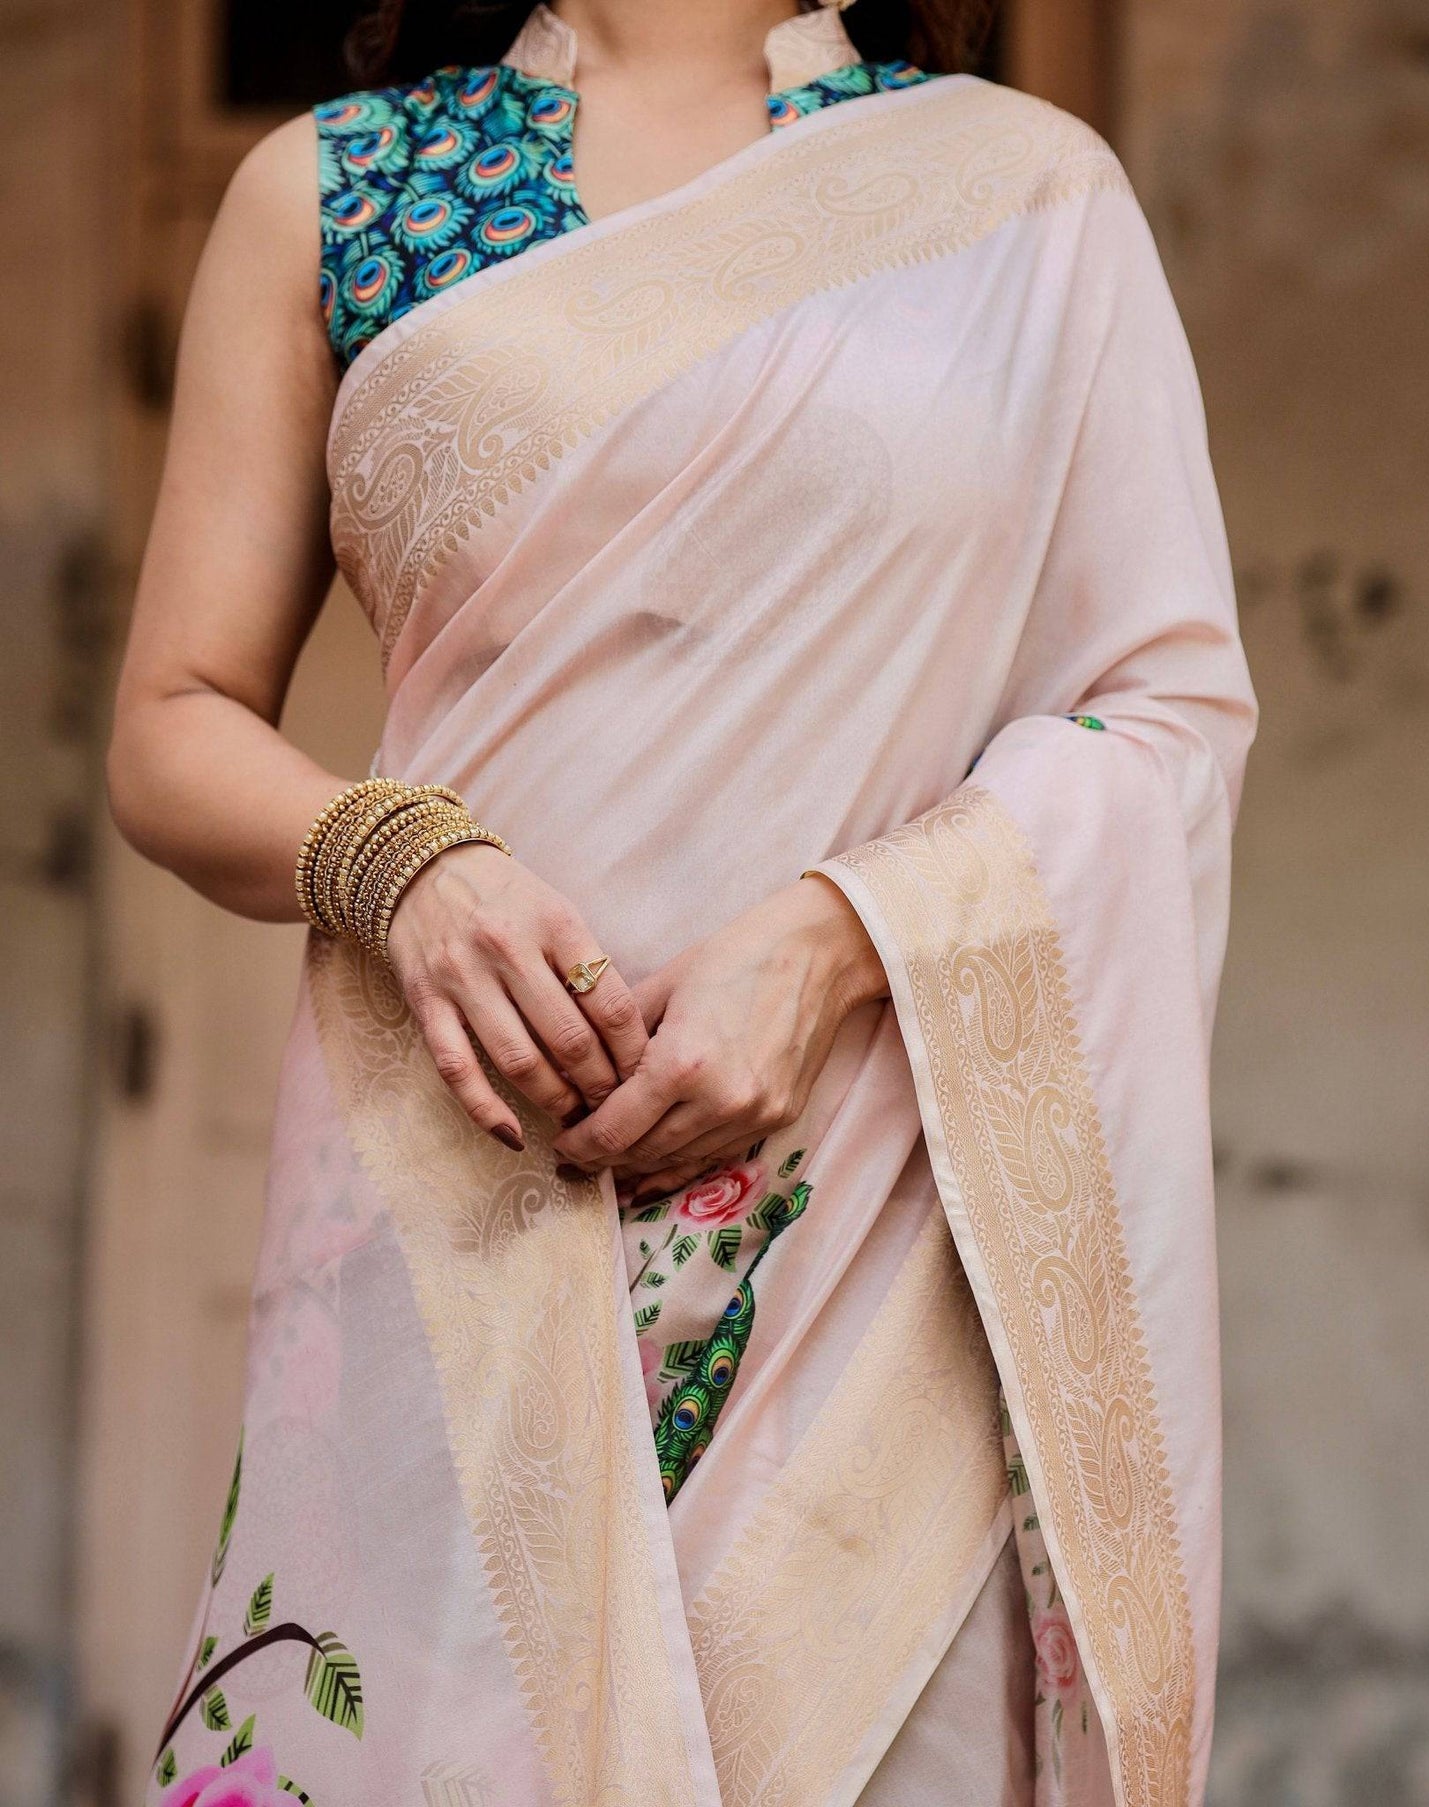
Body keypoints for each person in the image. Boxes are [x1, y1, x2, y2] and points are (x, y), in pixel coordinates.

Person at [108, 1, 1257, 1801]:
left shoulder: (1025, 195)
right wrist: (403, 864)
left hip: (883, 1222)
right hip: (466, 1189)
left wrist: (835, 940)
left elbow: (1162, 715)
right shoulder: (332, 188)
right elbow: (173, 730)